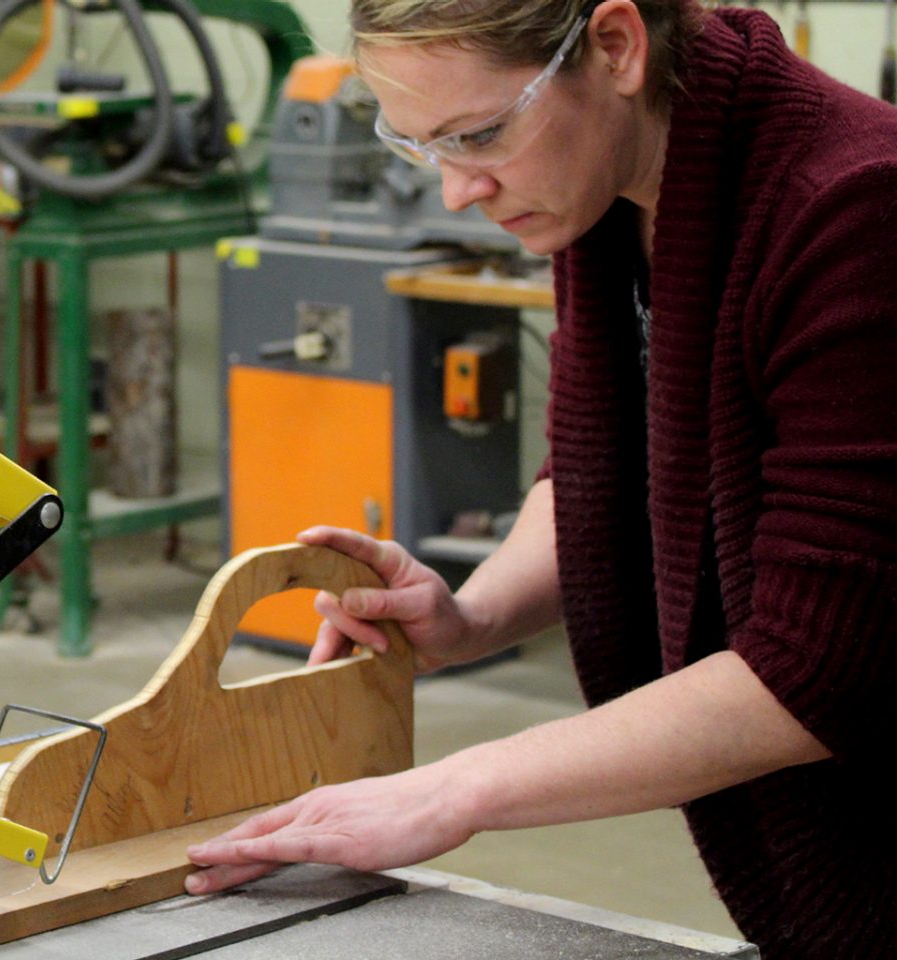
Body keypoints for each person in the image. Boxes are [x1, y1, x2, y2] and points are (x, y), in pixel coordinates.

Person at [184, 2, 897, 957]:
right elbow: (600, 468)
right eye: (420, 145)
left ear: (615, 47)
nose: (456, 191)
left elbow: (815, 671)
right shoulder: (610, 188)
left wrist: (451, 790)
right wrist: (472, 619)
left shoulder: (855, 210)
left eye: (478, 134)